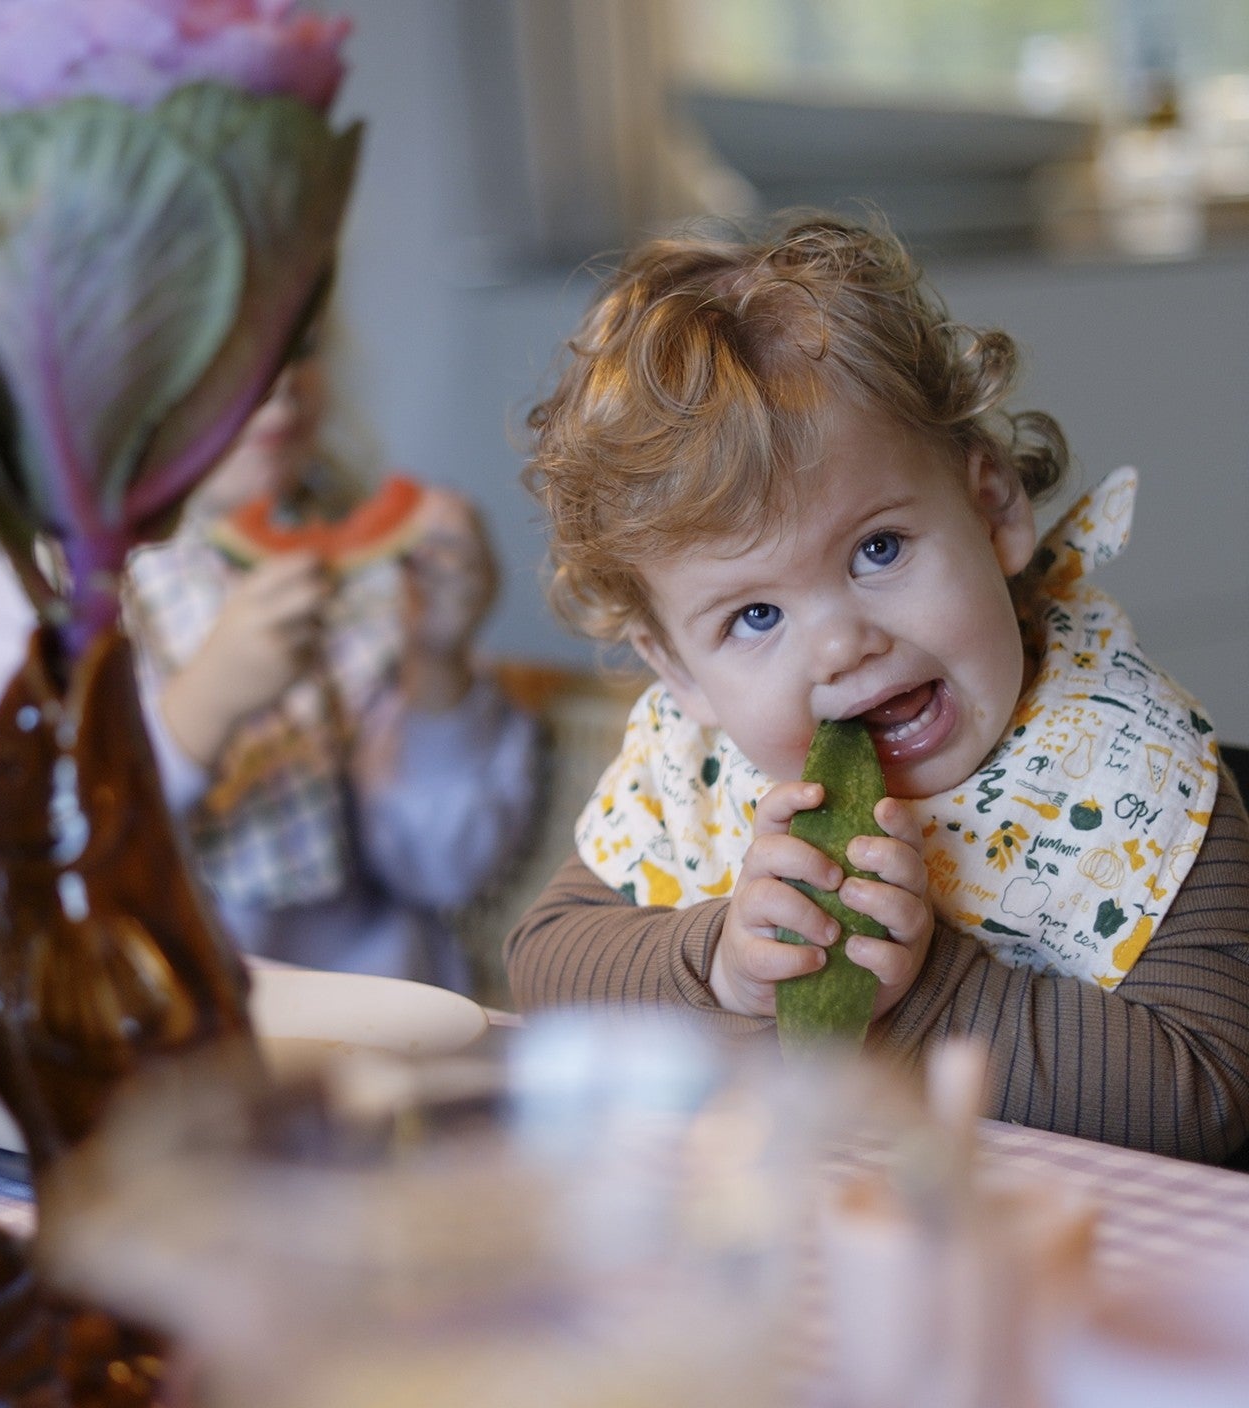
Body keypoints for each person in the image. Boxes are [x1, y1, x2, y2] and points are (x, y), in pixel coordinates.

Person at [509, 214, 1249, 1161]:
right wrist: (718, 968)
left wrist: (927, 992)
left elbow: (1214, 1096)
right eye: (756, 617)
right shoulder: (695, 767)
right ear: (678, 671)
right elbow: (541, 965)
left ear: (992, 507)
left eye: (878, 549)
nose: (841, 645)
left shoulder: (1132, 766)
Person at [0, 344, 537, 993]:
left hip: (376, 1013)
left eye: (300, 344)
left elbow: (450, 869)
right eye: (223, 350)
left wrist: (436, 658)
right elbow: (8, 846)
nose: (278, 387)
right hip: (135, 1021)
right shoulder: (18, 602)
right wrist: (204, 705)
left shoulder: (374, 588)